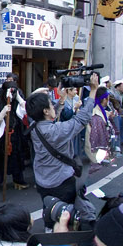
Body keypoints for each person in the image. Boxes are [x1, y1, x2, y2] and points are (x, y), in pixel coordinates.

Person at [26, 73, 99, 224]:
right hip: (61, 181)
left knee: (50, 208)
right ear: (46, 111)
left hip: (42, 180)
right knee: (66, 214)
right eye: (50, 104)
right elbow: (82, 118)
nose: (53, 105)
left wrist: (61, 100)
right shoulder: (56, 131)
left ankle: (49, 227)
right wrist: (93, 91)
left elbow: (51, 117)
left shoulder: (34, 126)